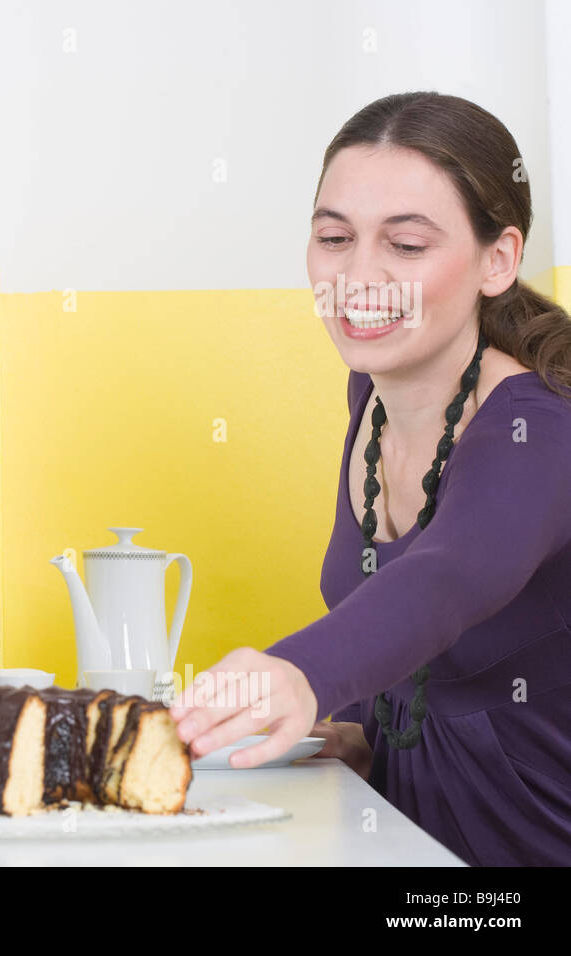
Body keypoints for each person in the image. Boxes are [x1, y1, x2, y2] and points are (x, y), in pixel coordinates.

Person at [168, 91, 571, 866]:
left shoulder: (538, 429)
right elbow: (391, 630)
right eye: (333, 237)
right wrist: (351, 724)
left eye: (407, 246)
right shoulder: (376, 395)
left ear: (499, 260)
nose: (357, 278)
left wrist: (300, 673)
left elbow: (447, 576)